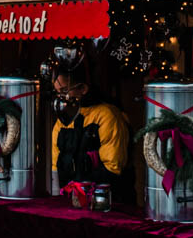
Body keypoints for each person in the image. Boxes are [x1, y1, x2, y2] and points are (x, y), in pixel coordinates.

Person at [51, 68, 133, 201]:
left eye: (65, 91)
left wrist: (83, 190)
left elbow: (113, 167)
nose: (60, 98)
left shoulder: (107, 115)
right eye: (57, 92)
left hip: (107, 201)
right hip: (69, 200)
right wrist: (56, 198)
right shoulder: (63, 121)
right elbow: (55, 165)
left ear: (83, 88)